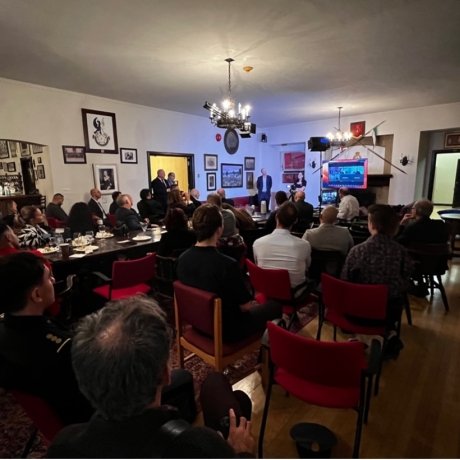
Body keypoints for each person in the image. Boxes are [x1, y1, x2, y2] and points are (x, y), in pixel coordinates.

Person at [48, 296, 254, 458]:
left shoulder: (63, 445)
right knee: (235, 398)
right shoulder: (200, 447)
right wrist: (242, 453)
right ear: (165, 374)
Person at [0, 252, 94, 424]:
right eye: (49, 277)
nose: (53, 281)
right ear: (36, 295)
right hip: (80, 424)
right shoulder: (63, 349)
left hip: (47, 418)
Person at [176, 204, 282, 342]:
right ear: (219, 230)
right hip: (228, 331)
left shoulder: (182, 259)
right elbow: (245, 306)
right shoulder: (227, 265)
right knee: (275, 306)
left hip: (197, 324)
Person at [341, 204, 414, 335]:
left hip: (357, 311)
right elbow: (406, 281)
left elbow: (345, 280)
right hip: (388, 314)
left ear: (371, 224)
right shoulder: (401, 252)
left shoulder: (357, 251)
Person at [253, 201, 311, 295]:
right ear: (295, 220)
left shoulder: (257, 243)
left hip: (266, 292)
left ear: (276, 217)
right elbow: (307, 267)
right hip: (294, 295)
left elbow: (258, 266)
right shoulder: (304, 245)